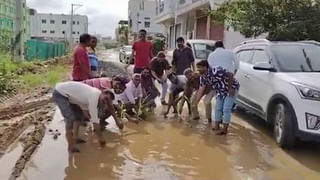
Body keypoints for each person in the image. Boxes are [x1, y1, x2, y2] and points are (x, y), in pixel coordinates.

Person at [52, 81, 124, 153]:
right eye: (105, 99)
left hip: (71, 96)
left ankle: (75, 138)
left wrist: (93, 123)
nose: (104, 101)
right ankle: (70, 146)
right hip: (60, 92)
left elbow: (86, 113)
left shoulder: (91, 97)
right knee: (70, 118)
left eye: (106, 101)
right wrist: (101, 138)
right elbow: (95, 121)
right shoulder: (94, 96)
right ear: (102, 93)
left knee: (79, 116)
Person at [195, 60, 239, 135]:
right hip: (220, 90)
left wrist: (230, 88)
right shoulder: (203, 77)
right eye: (197, 68)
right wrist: (195, 103)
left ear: (205, 67)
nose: (198, 70)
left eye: (199, 68)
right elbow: (201, 89)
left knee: (226, 109)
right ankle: (216, 126)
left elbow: (230, 75)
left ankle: (224, 130)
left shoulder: (216, 70)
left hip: (231, 87)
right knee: (218, 108)